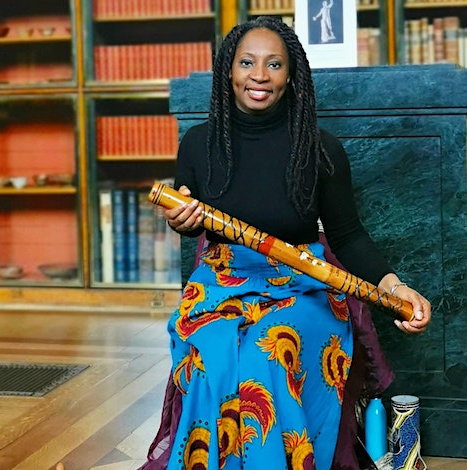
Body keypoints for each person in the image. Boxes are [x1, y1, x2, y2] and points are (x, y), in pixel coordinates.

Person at [141, 16, 431, 470]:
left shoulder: (320, 148)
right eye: (247, 62)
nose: (259, 75)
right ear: (228, 71)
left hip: (301, 285)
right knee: (211, 354)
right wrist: (184, 220)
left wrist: (395, 288)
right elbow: (191, 222)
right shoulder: (198, 144)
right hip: (219, 284)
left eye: (274, 64)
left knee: (269, 352)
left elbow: (348, 236)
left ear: (291, 73)